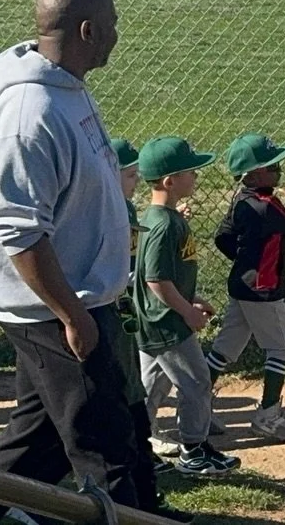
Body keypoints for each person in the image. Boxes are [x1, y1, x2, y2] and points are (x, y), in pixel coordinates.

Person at [0, 0, 140, 524]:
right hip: (53, 309)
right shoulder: (30, 115)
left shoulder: (67, 88)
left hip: (75, 301)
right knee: (102, 445)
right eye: (110, 25)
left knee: (32, 443)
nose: (116, 35)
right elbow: (18, 232)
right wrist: (72, 314)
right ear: (87, 31)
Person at [134, 135, 241, 477]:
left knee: (151, 387)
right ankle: (194, 450)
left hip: (157, 317)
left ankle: (135, 447)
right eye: (190, 172)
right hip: (166, 319)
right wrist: (187, 311)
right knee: (196, 382)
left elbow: (166, 277)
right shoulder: (163, 225)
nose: (196, 177)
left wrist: (190, 299)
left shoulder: (162, 218)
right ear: (170, 181)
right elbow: (155, 280)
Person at [206, 133, 285, 443]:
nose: (279, 170)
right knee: (281, 349)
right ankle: (268, 416)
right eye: (273, 166)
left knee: (225, 349)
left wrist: (244, 263)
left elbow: (222, 237)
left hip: (242, 286)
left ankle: (196, 406)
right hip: (265, 289)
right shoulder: (267, 206)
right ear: (254, 174)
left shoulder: (241, 200)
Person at [108, 139, 193, 521]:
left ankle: (141, 453)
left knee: (138, 386)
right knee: (185, 382)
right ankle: (196, 447)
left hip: (133, 310)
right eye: (128, 174)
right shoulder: (123, 212)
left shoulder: (142, 213)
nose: (134, 180)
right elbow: (152, 274)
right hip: (138, 312)